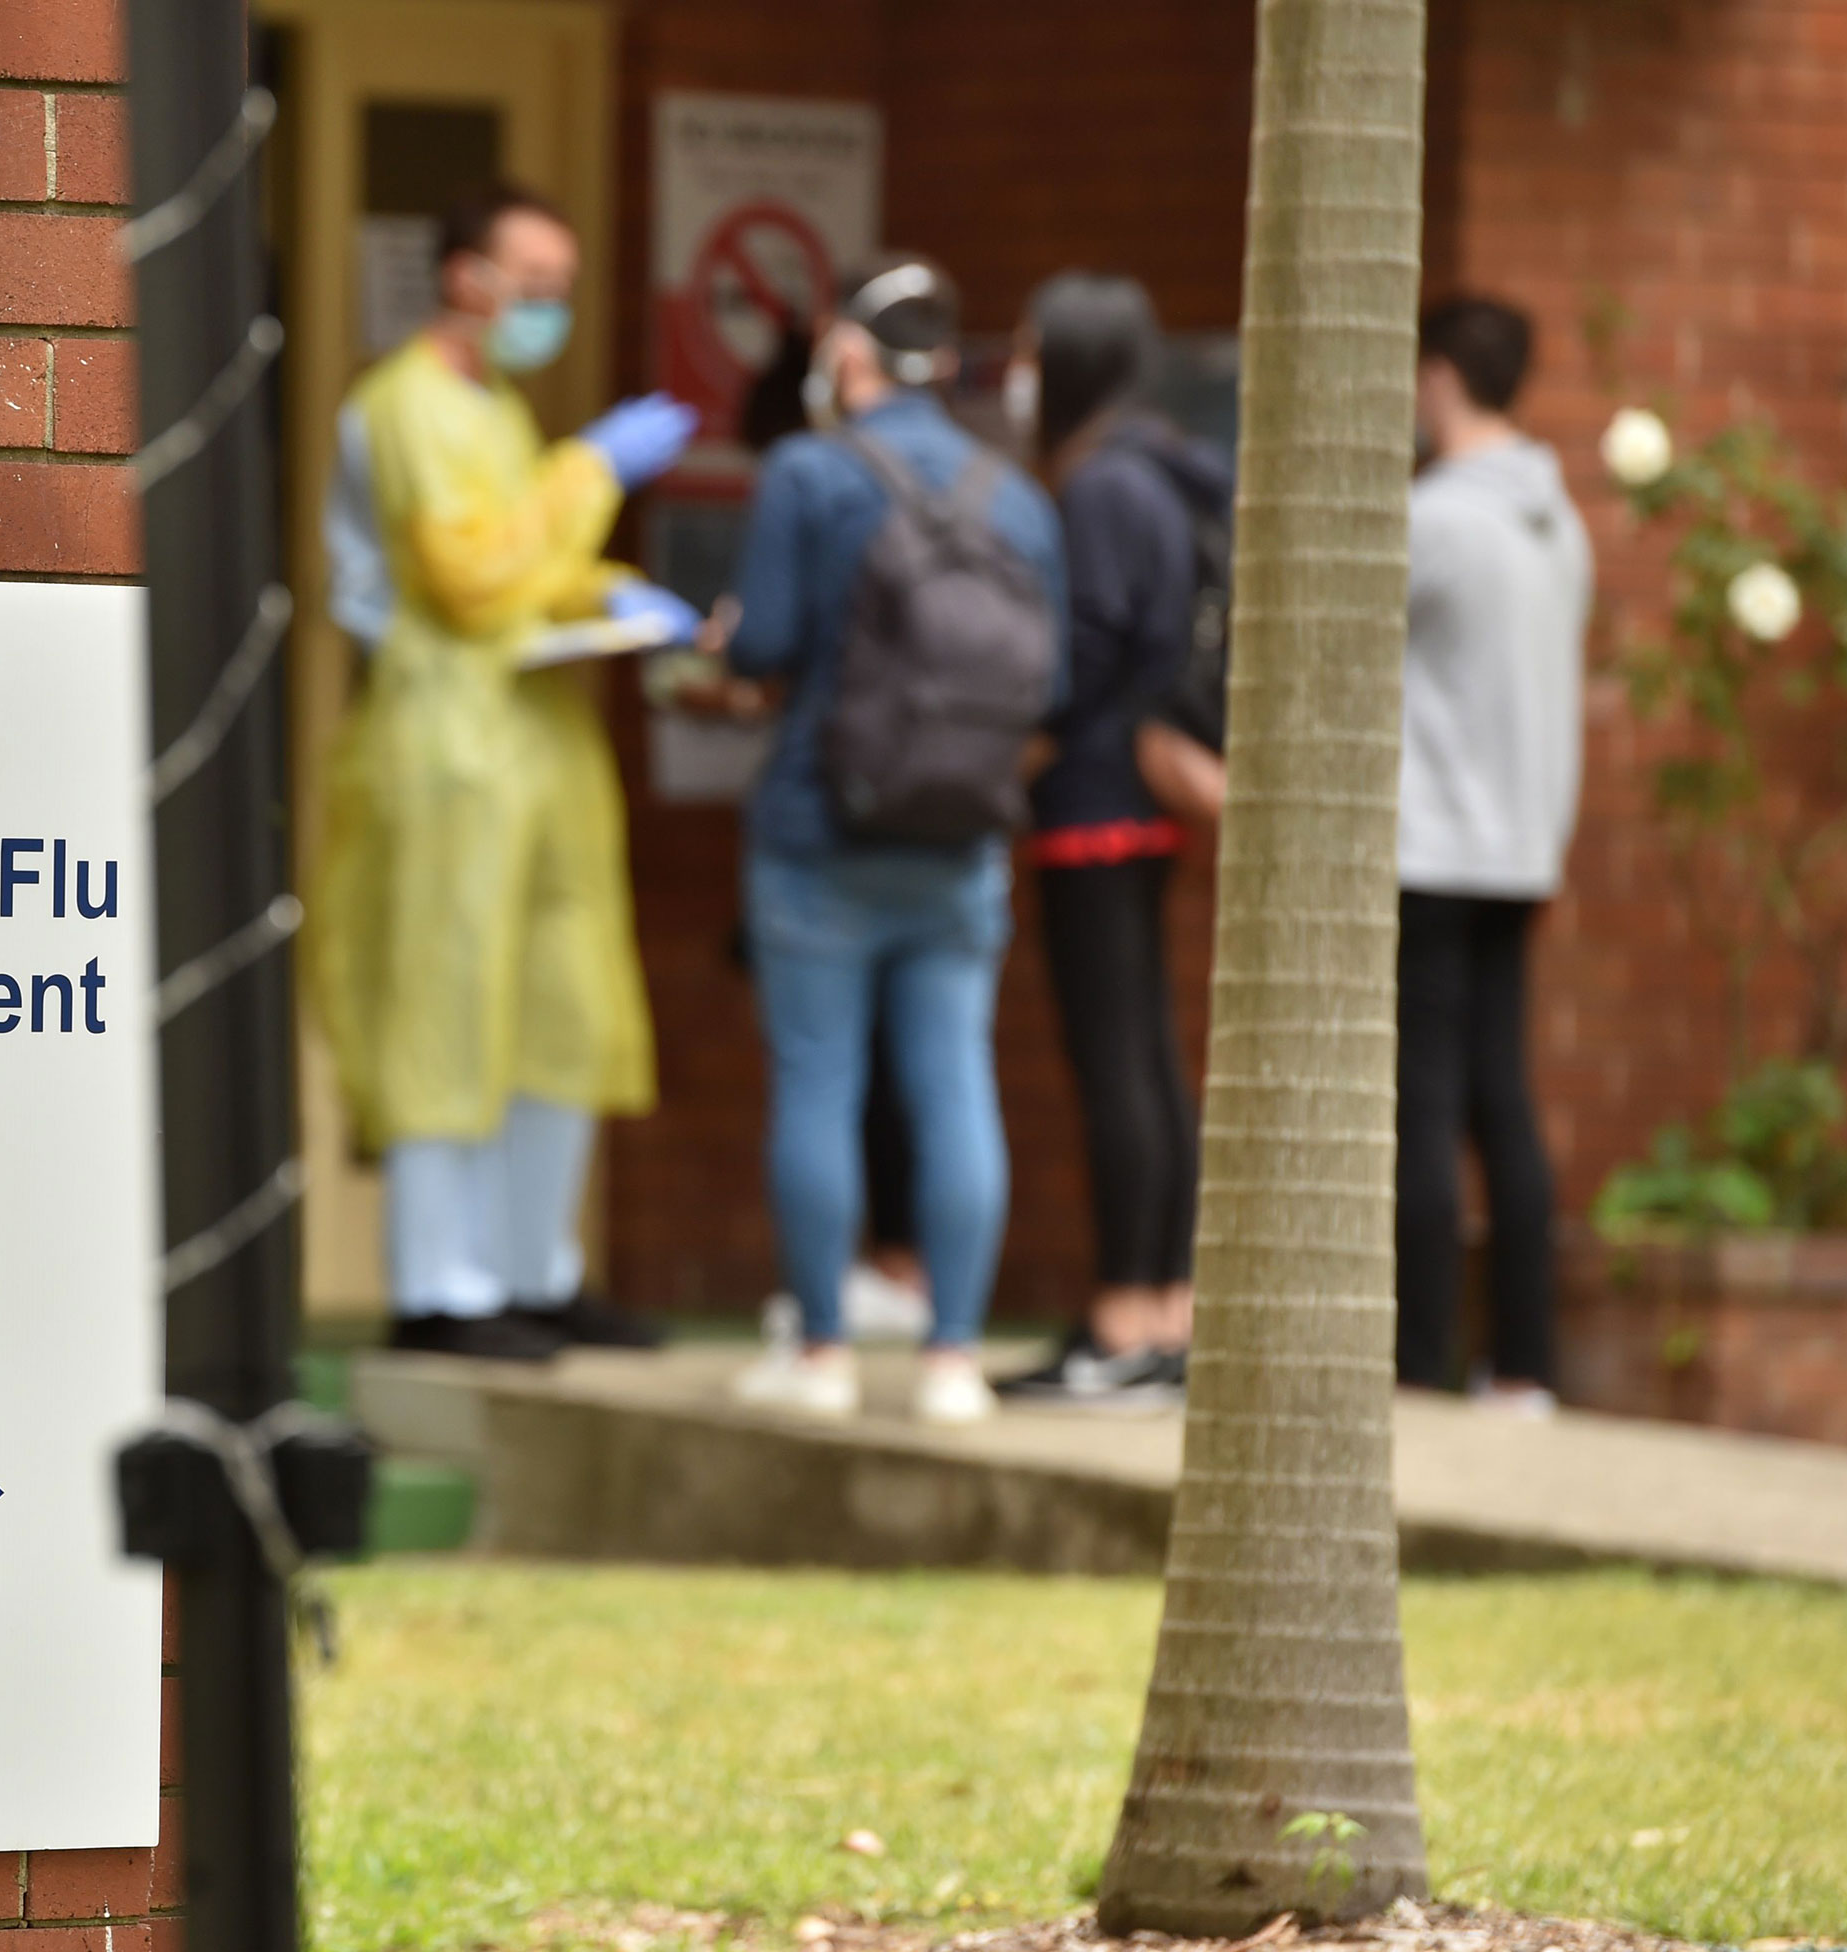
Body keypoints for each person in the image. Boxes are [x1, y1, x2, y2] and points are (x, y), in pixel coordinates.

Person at [311, 181, 700, 1362]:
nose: (548, 308)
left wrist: (606, 591)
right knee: (446, 1003)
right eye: (532, 284)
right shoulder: (408, 405)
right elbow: (470, 574)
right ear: (463, 276)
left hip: (530, 740)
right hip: (445, 746)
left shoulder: (498, 408)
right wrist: (594, 470)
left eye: (561, 289)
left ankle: (536, 1267)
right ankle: (442, 1284)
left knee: (556, 1005)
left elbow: (527, 569)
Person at [711, 252, 1067, 1422]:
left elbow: (761, 649)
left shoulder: (809, 473)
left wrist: (719, 649)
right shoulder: (1014, 494)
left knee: (818, 1080)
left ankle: (820, 1354)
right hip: (961, 839)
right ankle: (953, 1358)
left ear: (846, 352)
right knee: (955, 1082)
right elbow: (1046, 682)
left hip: (821, 830)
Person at [997, 273, 1231, 1407]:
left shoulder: (1101, 487)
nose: (1017, 369)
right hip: (1145, 800)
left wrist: (1026, 742)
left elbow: (1081, 649)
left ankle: (1123, 1320)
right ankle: (1167, 1313)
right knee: (1148, 1051)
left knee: (1117, 1061)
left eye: (1031, 348)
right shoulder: (1175, 469)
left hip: (1089, 804)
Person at [1395, 295, 1592, 1413]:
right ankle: (1524, 1365)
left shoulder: (1437, 519)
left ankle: (1418, 1362)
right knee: (1500, 1100)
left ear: (1438, 376)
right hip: (1522, 847)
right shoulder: (1557, 522)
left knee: (1420, 1106)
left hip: (1429, 847)